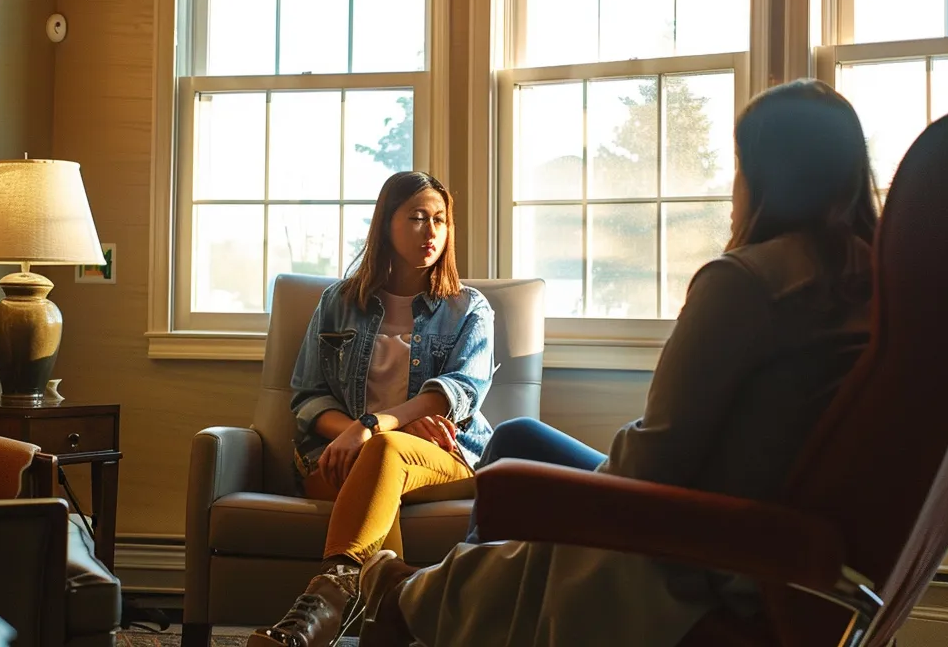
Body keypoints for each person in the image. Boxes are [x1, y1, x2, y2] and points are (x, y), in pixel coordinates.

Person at [356, 78, 882, 647]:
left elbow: (657, 457)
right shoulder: (871, 281)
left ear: (771, 175)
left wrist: (574, 504)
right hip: (751, 524)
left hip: (699, 543)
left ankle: (416, 599)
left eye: (739, 165)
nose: (734, 187)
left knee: (514, 485)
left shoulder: (747, 283)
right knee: (518, 440)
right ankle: (438, 596)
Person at [249, 171, 496, 647]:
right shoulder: (340, 303)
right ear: (386, 224)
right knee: (380, 459)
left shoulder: (469, 308)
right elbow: (308, 397)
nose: (431, 232)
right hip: (340, 453)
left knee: (385, 450)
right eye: (417, 218)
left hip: (440, 457)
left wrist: (372, 427)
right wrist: (353, 433)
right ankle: (382, 622)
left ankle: (323, 604)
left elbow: (457, 391)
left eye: (440, 220)